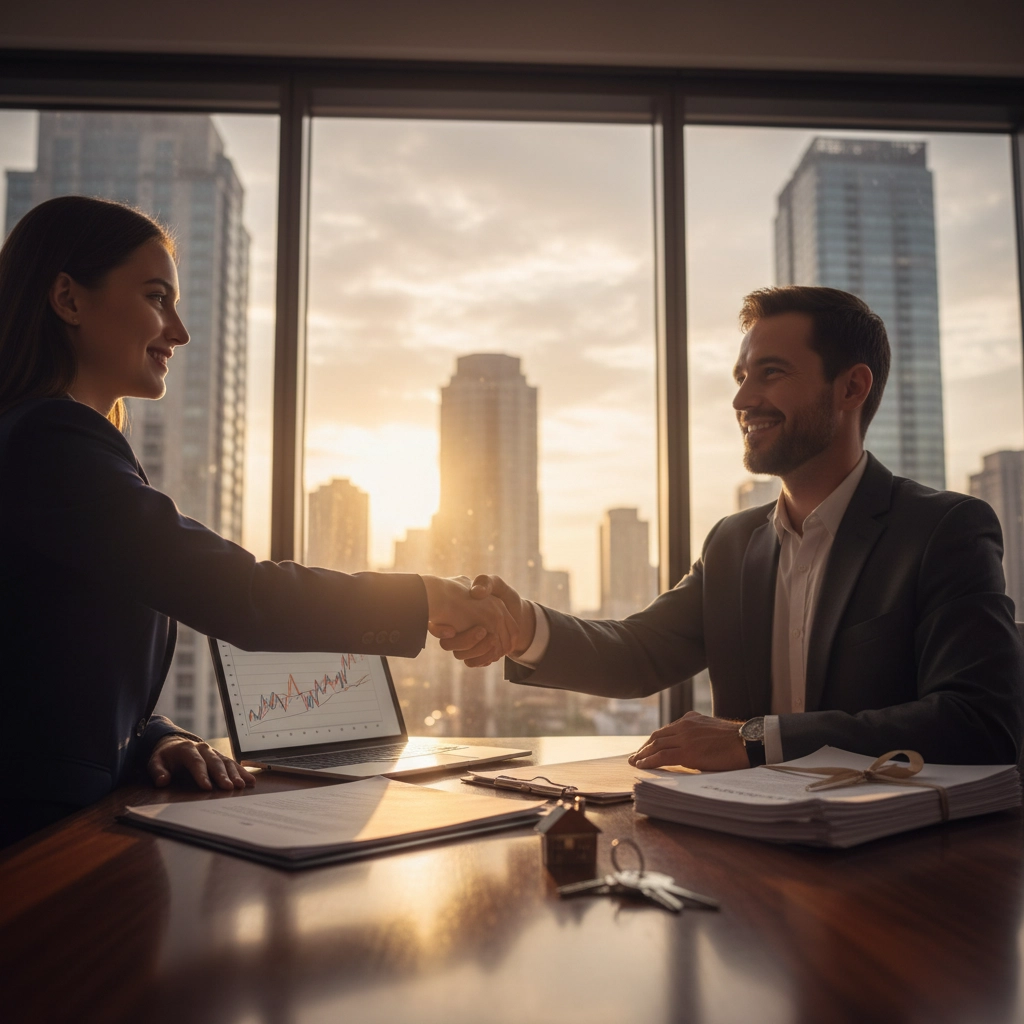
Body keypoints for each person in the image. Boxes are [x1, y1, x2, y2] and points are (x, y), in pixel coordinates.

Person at [0, 195, 518, 846]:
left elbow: (48, 669)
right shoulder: (48, 443)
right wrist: (426, 598)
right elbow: (238, 594)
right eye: (158, 297)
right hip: (30, 847)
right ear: (69, 299)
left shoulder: (59, 444)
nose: (179, 331)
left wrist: (157, 736)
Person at [444, 286, 1024, 771]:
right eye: (743, 376)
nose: (743, 398)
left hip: (897, 866)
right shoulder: (733, 544)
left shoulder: (944, 529)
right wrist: (522, 627)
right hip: (746, 850)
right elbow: (638, 652)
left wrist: (756, 740)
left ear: (851, 388)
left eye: (770, 374)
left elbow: (980, 721)